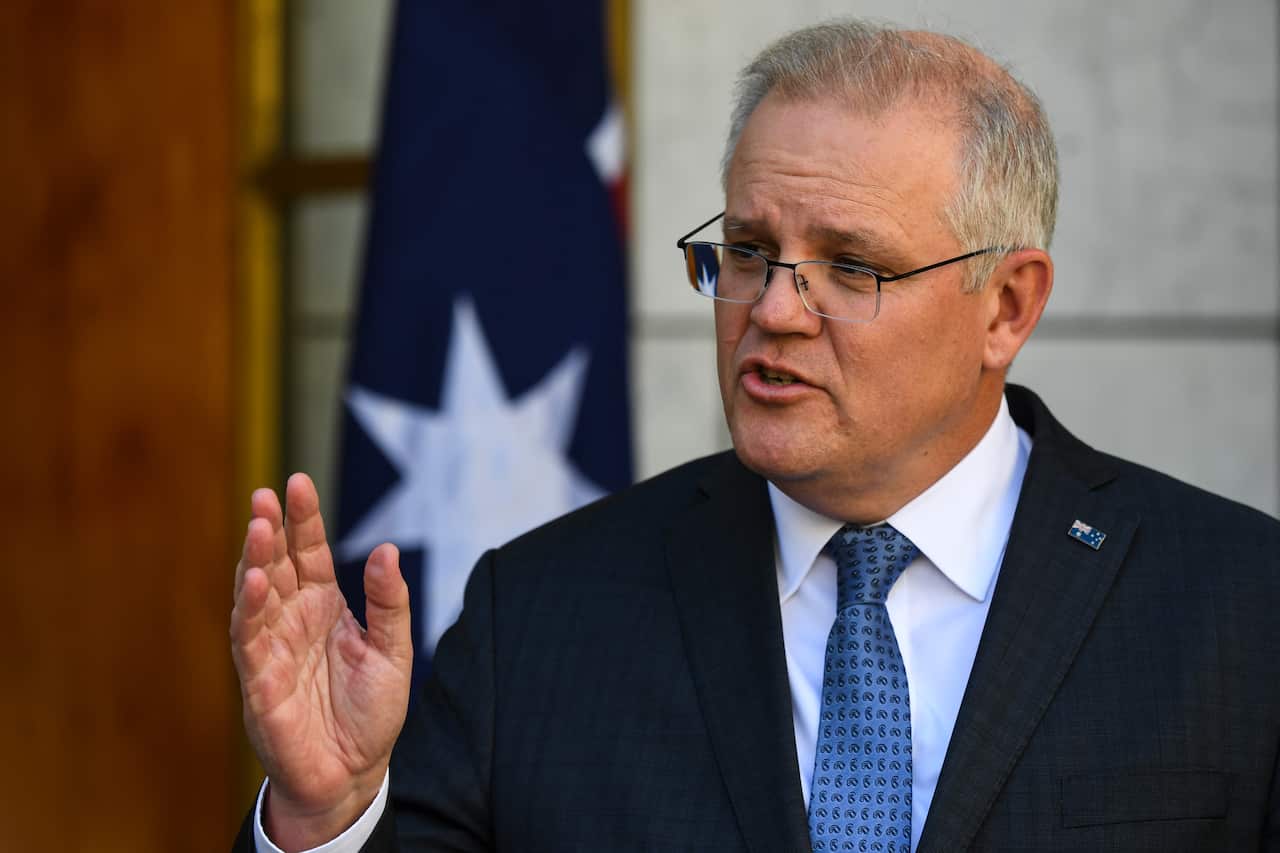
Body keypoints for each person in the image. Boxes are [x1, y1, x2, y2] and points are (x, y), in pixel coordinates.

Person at [230, 19, 1280, 853]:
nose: (773, 309)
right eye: (746, 251)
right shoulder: (539, 615)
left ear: (1005, 306)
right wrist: (327, 819)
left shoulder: (1239, 606)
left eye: (850, 267)